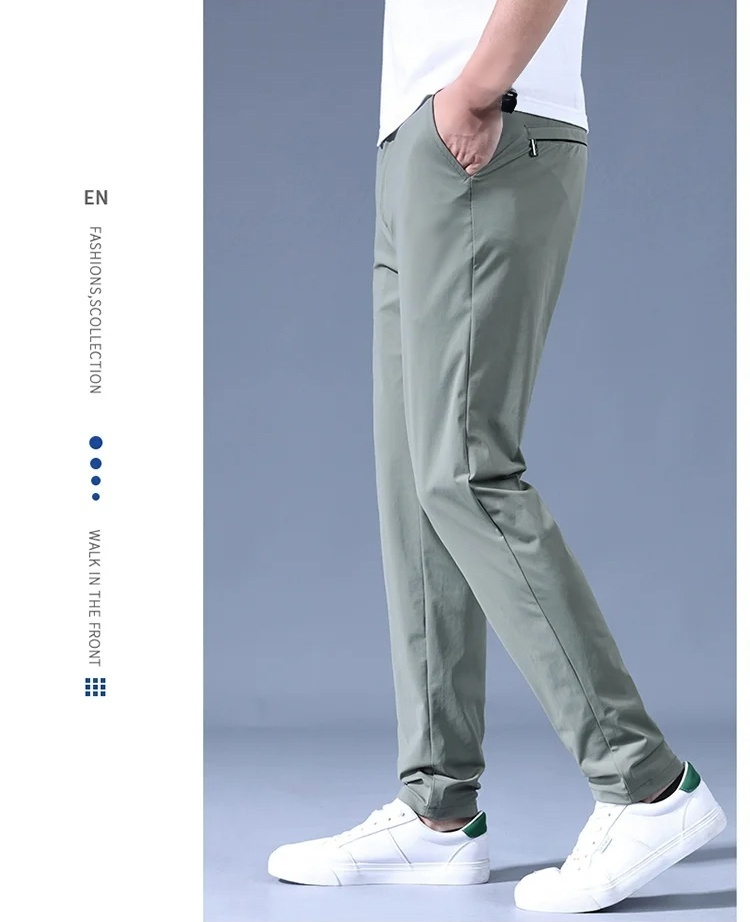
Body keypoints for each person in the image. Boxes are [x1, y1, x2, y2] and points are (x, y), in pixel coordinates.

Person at [267, 0, 727, 912]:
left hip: (488, 124)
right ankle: (438, 812)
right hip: (419, 141)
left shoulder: (481, 106)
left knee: (465, 470)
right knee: (414, 482)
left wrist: (477, 90)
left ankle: (647, 785)